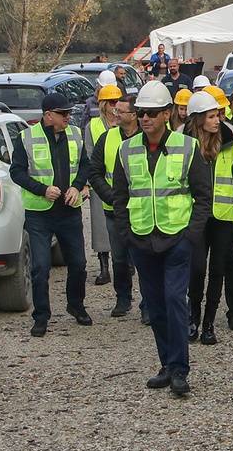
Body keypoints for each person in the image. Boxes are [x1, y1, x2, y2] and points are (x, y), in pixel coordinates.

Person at [93, 81, 212, 397]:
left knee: (174, 300)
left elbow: (203, 196)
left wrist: (190, 236)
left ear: (167, 114)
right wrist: (127, 234)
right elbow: (120, 196)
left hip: (176, 239)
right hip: (142, 240)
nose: (145, 118)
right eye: (142, 112)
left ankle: (180, 370)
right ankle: (166, 365)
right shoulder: (126, 150)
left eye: (152, 113)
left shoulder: (187, 148)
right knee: (156, 307)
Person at [11, 87, 93, 335]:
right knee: (40, 268)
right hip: (39, 214)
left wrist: (77, 187)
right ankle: (41, 316)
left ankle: (76, 306)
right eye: (63, 113)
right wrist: (42, 189)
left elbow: (85, 166)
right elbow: (17, 172)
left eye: (69, 112)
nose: (68, 116)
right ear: (48, 115)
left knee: (78, 264)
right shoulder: (26, 137)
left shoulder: (75, 135)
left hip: (69, 211)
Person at [182, 90, 233, 344]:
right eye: (212, 116)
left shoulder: (229, 139)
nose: (217, 120)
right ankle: (193, 318)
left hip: (224, 215)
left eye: (218, 115)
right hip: (196, 216)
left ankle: (209, 324)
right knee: (197, 269)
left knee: (218, 270)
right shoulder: (184, 143)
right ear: (198, 119)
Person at [86, 87, 138, 319]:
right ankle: (123, 299)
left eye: (121, 111)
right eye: (115, 109)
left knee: (143, 258)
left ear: (134, 115)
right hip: (114, 210)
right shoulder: (107, 138)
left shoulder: (145, 139)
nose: (115, 114)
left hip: (143, 210)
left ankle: (148, 304)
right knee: (119, 258)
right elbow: (95, 172)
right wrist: (110, 196)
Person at [85, 79, 115, 288]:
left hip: (123, 183)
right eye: (111, 102)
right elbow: (88, 155)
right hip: (100, 183)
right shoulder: (92, 126)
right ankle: (104, 267)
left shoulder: (126, 124)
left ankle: (128, 262)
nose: (115, 106)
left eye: (117, 102)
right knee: (100, 227)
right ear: (103, 104)